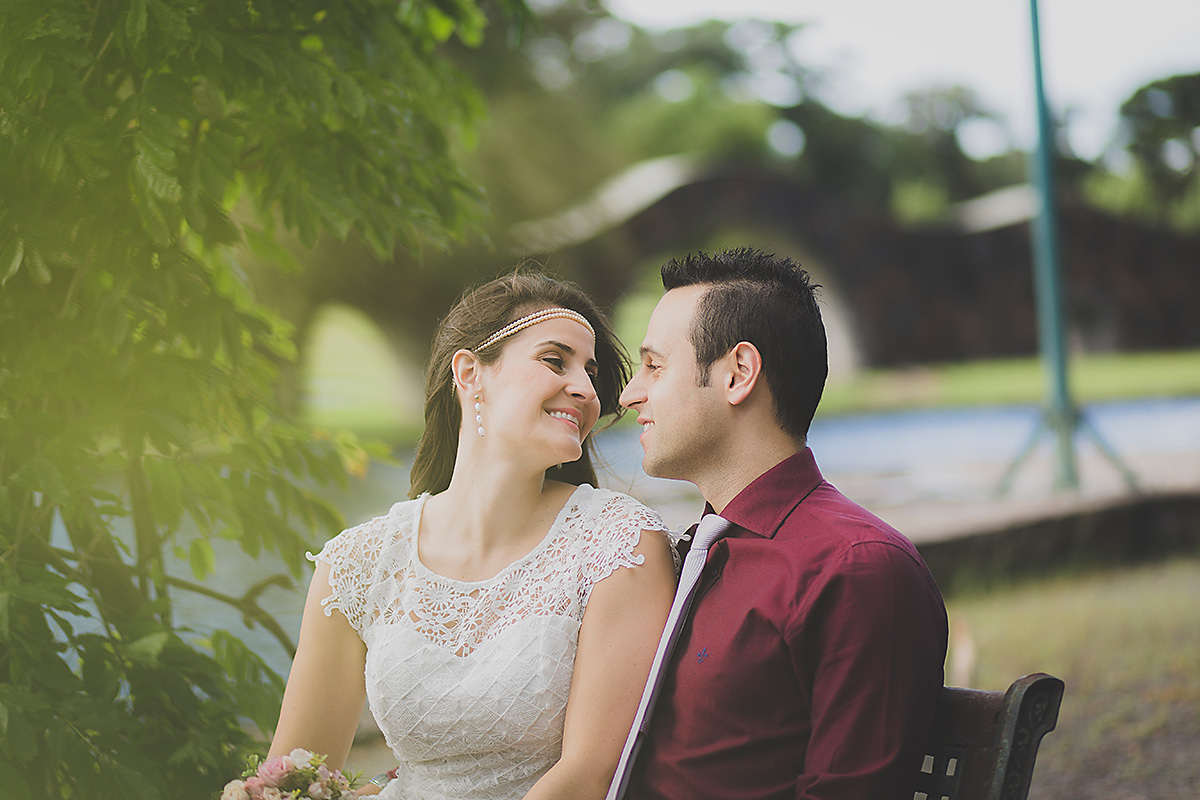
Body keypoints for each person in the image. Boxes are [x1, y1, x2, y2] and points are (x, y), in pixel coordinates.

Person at [267, 272, 679, 800]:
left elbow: (588, 778)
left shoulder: (619, 543)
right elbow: (294, 778)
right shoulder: (358, 563)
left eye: (590, 371)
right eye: (555, 361)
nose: (586, 388)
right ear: (470, 373)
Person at [611, 248, 949, 800]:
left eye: (654, 366)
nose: (629, 395)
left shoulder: (858, 571)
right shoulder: (694, 551)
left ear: (738, 374)